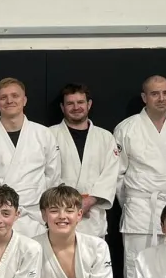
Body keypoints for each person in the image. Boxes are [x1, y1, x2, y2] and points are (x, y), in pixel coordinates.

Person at [114, 75, 166, 278]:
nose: (161, 98)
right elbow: (118, 175)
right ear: (144, 97)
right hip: (140, 209)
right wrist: (132, 202)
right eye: (155, 93)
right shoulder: (126, 128)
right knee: (136, 270)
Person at [0, 78, 61, 238]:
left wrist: (43, 207)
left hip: (34, 219)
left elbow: (53, 176)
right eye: (3, 97)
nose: (9, 101)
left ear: (24, 100)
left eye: (15, 96)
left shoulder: (44, 134)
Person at [49, 84, 119, 239]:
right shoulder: (48, 135)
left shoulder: (105, 137)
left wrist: (90, 200)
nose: (76, 107)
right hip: (59, 212)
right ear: (62, 107)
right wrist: (69, 203)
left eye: (80, 102)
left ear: (89, 104)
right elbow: (46, 174)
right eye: (70, 103)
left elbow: (111, 174)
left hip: (93, 217)